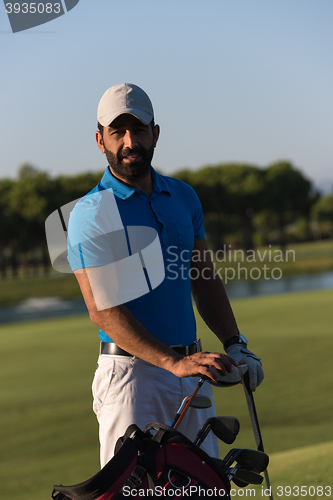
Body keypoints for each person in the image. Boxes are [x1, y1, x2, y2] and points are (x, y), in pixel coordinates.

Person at [67, 83, 264, 468]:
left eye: (138, 129)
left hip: (191, 371)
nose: (129, 141)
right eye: (117, 132)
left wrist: (235, 342)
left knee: (202, 488)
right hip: (131, 378)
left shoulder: (185, 197)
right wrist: (171, 363)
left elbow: (204, 279)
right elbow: (103, 310)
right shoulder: (90, 214)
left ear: (155, 133)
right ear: (99, 140)